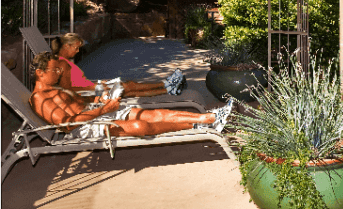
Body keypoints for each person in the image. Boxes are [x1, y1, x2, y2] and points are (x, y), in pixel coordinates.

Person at [29, 52, 233, 138]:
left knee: (150, 114)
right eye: (54, 71)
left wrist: (97, 101)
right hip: (84, 127)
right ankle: (198, 125)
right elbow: (67, 124)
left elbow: (77, 102)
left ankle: (209, 118)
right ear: (40, 73)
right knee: (140, 126)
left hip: (95, 111)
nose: (59, 74)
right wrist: (103, 109)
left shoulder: (55, 90)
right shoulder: (40, 99)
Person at [51, 33, 185, 97]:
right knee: (128, 87)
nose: (78, 51)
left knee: (129, 88)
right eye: (76, 47)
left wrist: (97, 83)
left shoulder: (65, 62)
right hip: (88, 94)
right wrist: (96, 87)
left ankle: (168, 89)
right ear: (66, 46)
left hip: (91, 88)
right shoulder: (62, 64)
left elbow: (77, 82)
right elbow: (68, 90)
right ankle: (166, 83)